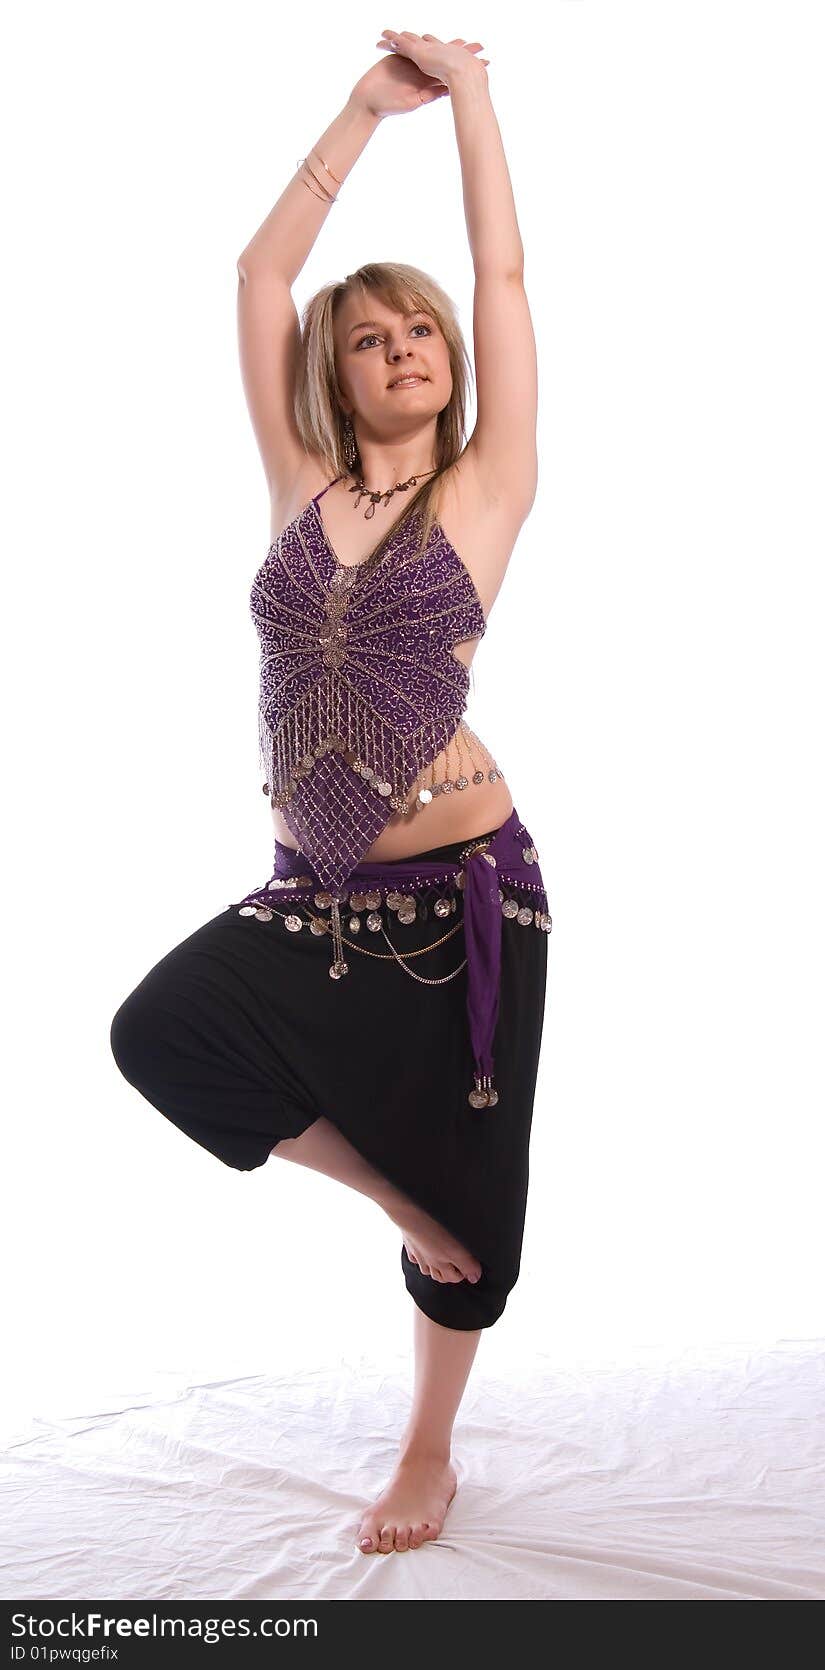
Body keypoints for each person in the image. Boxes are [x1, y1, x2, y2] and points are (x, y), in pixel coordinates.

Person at [109, 28, 551, 1557]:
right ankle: (400, 1201)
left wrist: (474, 99)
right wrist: (364, 111)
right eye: (368, 337)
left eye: (418, 330)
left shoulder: (482, 491)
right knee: (163, 1029)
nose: (403, 349)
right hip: (319, 894)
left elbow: (502, 278)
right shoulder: (299, 488)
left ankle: (426, 1449)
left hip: (466, 895)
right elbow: (251, 277)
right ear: (335, 370)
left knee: (477, 1216)